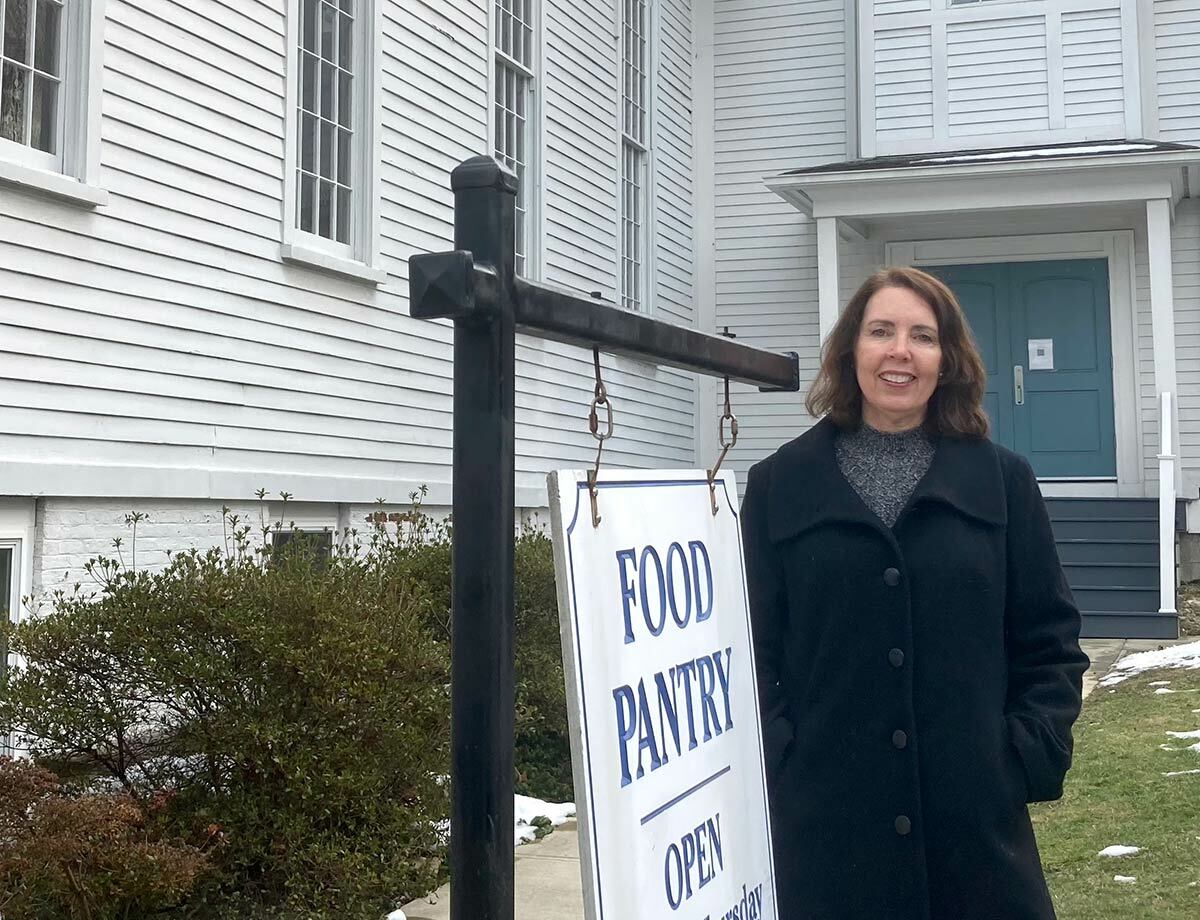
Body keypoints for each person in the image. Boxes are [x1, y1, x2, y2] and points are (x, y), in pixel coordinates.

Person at [741, 266, 1090, 920]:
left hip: (978, 841)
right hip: (827, 842)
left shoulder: (1004, 482)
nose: (900, 351)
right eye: (881, 331)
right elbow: (751, 651)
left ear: (946, 359)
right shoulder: (777, 485)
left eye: (922, 336)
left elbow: (1050, 643)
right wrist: (782, 762)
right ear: (850, 351)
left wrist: (1019, 759)